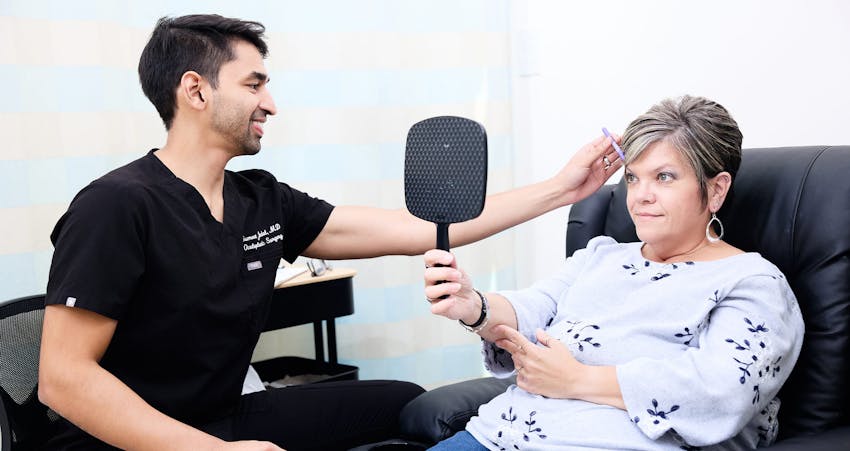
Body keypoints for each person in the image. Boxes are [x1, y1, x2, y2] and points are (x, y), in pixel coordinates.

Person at [37, 14, 623, 451]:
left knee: (403, 403)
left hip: (224, 416)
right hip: (126, 439)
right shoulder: (116, 206)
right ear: (196, 91)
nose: (271, 103)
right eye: (253, 84)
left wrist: (562, 190)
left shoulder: (259, 197)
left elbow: (415, 227)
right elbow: (62, 382)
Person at [422, 95, 805, 450]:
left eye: (664, 177)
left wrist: (576, 380)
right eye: (634, 177)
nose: (640, 195)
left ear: (716, 190)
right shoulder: (600, 256)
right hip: (497, 436)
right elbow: (533, 309)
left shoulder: (752, 283)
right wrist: (473, 306)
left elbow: (720, 391)